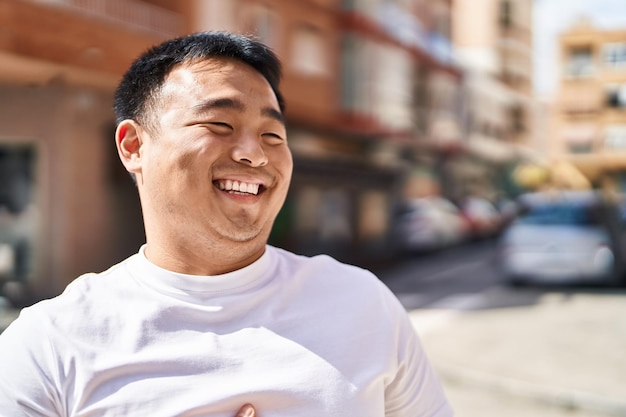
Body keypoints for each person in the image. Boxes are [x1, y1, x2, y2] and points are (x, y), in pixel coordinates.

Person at [0, 31, 454, 417]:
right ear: (134, 146)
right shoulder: (50, 343)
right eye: (219, 123)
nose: (254, 154)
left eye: (273, 135)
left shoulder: (363, 303)